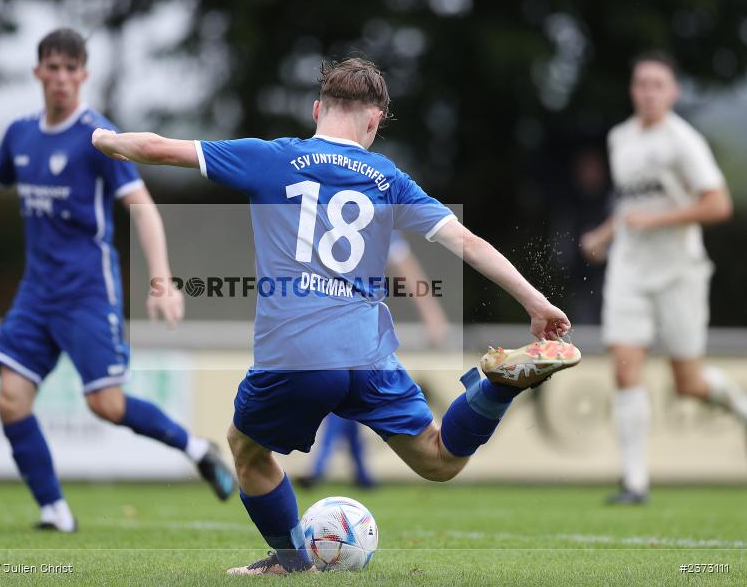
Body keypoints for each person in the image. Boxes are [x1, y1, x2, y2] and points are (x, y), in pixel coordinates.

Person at [92, 57, 579, 575]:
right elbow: (467, 242)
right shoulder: (389, 178)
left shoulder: (272, 157)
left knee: (246, 450)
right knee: (440, 460)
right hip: (366, 352)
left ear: (318, 109)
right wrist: (535, 301)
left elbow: (155, 148)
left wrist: (105, 140)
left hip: (296, 353)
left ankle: (291, 563)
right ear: (374, 121)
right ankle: (499, 387)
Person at [0, 28, 235, 531]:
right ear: (38, 72)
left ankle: (195, 448)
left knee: (106, 404)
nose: (60, 78)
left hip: (87, 292)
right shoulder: (20, 134)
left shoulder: (97, 136)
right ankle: (55, 512)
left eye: (70, 69)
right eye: (51, 68)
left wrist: (161, 279)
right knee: (10, 399)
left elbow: (141, 208)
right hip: (36, 295)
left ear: (84, 75)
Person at [581, 51, 747, 505]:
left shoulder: (683, 142)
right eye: (641, 84)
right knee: (625, 366)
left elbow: (719, 204)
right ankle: (635, 483)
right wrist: (604, 234)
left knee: (687, 384)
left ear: (672, 92)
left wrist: (659, 221)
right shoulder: (621, 138)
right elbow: (629, 206)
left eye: (658, 84)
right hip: (630, 271)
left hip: (679, 272)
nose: (648, 92)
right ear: (633, 90)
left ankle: (738, 404)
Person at [298, 231, 449, 490]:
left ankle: (321, 468)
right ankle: (361, 473)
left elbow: (406, 268)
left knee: (341, 394)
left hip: (354, 328)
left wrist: (432, 316)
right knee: (344, 397)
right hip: (334, 326)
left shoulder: (368, 219)